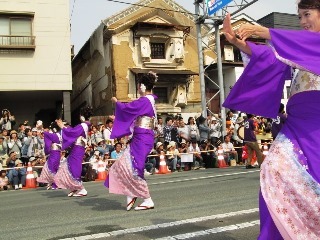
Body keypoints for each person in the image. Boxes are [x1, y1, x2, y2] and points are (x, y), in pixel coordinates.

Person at [223, 1, 320, 238]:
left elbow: (307, 47)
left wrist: (263, 31)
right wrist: (239, 43)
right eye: (299, 17)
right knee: (273, 169)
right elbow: (270, 58)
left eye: (307, 14)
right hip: (296, 123)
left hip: (316, 126)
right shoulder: (297, 49)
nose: (303, 21)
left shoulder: (307, 46)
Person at [104, 71, 158, 211]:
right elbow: (135, 117)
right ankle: (131, 193)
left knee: (135, 167)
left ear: (143, 86)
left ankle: (147, 199)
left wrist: (117, 103)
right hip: (142, 136)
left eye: (139, 85)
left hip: (143, 137)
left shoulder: (146, 100)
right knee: (122, 164)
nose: (138, 88)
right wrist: (118, 119)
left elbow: (128, 109)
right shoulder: (148, 101)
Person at [54, 107, 92, 197]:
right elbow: (72, 131)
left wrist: (63, 127)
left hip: (78, 148)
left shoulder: (83, 125)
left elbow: (72, 132)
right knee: (69, 165)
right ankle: (74, 187)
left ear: (81, 116)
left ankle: (81, 188)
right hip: (78, 147)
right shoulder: (85, 125)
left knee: (74, 166)